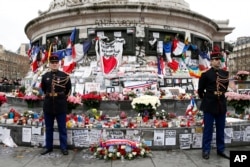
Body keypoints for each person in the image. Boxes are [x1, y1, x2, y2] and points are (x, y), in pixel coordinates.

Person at [198, 45, 230, 160]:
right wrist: (207, 99)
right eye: (215, 60)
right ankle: (206, 150)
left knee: (221, 128)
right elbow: (200, 91)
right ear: (211, 61)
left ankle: (220, 149)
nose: (218, 61)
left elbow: (225, 88)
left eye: (219, 59)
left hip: (221, 104)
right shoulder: (205, 75)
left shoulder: (225, 74)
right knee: (208, 129)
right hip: (209, 104)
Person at [40, 54, 72, 155]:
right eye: (52, 63)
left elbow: (68, 90)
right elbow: (44, 89)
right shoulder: (45, 76)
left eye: (56, 63)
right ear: (49, 64)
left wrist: (61, 97)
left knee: (62, 127)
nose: (54, 64)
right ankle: (48, 147)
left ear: (59, 64)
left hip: (60, 105)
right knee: (48, 128)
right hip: (48, 105)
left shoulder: (64, 76)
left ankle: (64, 148)